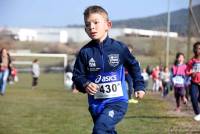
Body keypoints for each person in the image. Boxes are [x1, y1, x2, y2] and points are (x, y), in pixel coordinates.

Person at [72, 5, 145, 134]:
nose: (92, 27)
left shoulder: (119, 48)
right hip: (96, 104)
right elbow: (77, 76)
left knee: (100, 130)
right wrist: (85, 84)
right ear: (85, 29)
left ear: (108, 25)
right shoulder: (85, 52)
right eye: (88, 24)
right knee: (107, 131)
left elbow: (134, 66)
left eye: (96, 22)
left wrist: (139, 86)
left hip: (117, 101)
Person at [186, 41, 200, 121]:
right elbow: (187, 71)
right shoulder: (192, 61)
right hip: (194, 82)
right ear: (194, 50)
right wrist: (191, 73)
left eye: (199, 48)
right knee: (193, 98)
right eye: (197, 48)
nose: (198, 50)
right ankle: (198, 113)